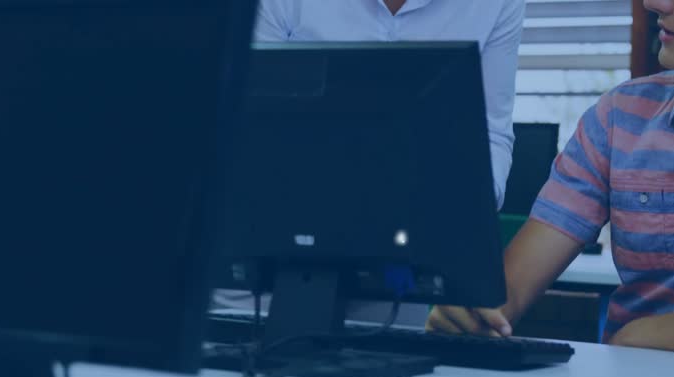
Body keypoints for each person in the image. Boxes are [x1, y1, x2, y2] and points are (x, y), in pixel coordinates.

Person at [427, 0, 674, 360]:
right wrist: (474, 311)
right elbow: (518, 278)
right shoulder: (619, 116)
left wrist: (648, 335)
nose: (655, 4)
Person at [214, 0, 524, 322]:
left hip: (396, 277)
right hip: (264, 271)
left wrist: (461, 217)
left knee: (392, 361)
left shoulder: (496, 4)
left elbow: (489, 133)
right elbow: (236, 124)